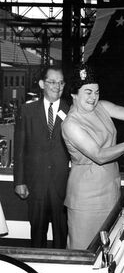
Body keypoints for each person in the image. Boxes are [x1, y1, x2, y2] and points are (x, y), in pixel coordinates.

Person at [61, 63, 124, 249]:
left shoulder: (103, 107)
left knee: (110, 250)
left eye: (97, 92)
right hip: (86, 200)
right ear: (74, 94)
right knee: (84, 252)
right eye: (88, 92)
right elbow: (99, 155)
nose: (94, 97)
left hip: (111, 191)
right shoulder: (70, 124)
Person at [13, 66, 70, 248]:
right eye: (52, 82)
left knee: (62, 236)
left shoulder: (72, 112)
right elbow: (20, 148)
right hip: (35, 186)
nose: (57, 86)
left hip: (63, 187)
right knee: (37, 236)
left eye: (60, 82)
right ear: (41, 84)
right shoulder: (27, 111)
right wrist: (19, 181)